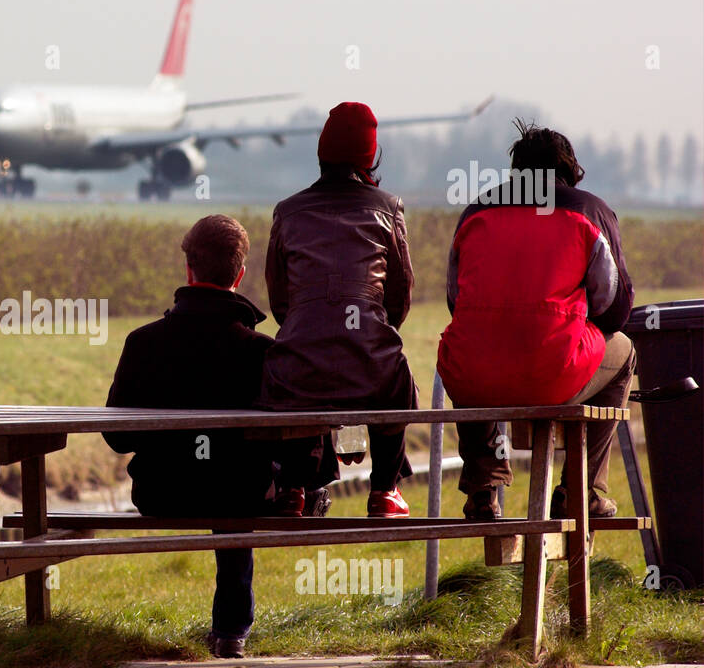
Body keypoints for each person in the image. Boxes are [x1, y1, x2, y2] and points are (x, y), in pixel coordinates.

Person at [438, 121, 635, 520]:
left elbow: (456, 302)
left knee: (473, 348)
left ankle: (482, 487)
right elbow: (616, 308)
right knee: (625, 352)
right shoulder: (588, 210)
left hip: (473, 375)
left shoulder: (476, 212)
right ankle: (583, 490)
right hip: (553, 372)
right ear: (569, 171)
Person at [104, 214, 276, 659]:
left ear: (188, 270)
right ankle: (231, 631)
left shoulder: (142, 342)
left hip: (162, 492)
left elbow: (116, 437)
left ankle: (231, 629)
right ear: (239, 274)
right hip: (243, 496)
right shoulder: (262, 351)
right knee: (236, 487)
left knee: (226, 484)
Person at [258, 101, 417, 518]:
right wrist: (373, 330)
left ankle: (292, 488)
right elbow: (399, 297)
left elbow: (279, 301)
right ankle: (385, 489)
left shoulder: (287, 211)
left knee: (292, 373)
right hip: (372, 365)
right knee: (398, 379)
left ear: (321, 152)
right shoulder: (388, 208)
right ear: (370, 155)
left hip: (299, 361)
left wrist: (307, 324)